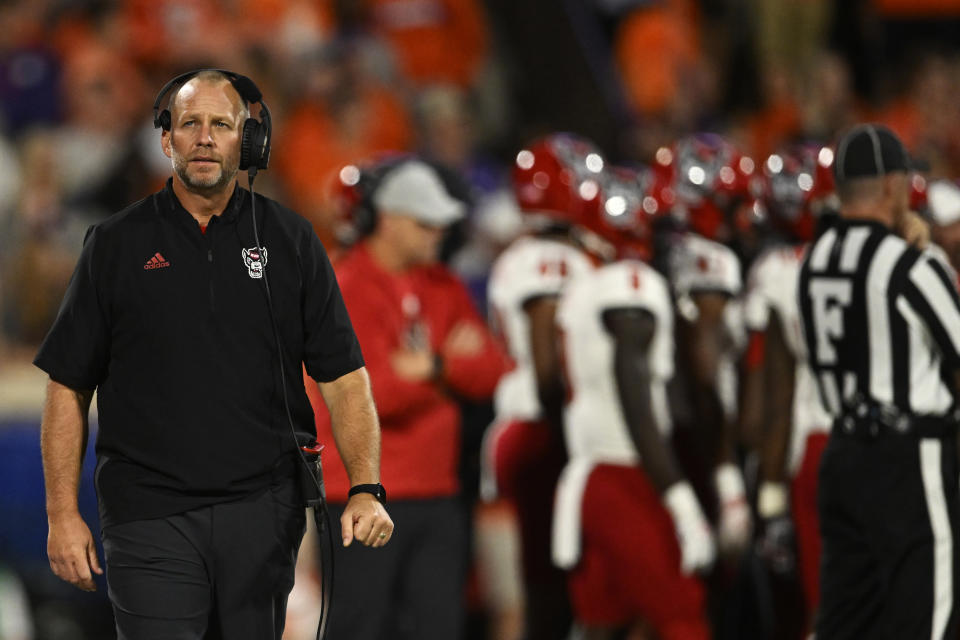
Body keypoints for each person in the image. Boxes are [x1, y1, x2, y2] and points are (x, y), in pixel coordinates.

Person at [34, 69, 392, 640]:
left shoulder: (293, 241)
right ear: (166, 140)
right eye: (190, 124)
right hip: (148, 513)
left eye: (221, 125)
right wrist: (61, 514)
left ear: (248, 142)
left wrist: (365, 488)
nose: (204, 137)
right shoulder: (115, 244)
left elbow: (345, 378)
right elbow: (67, 385)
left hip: (263, 512)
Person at [307, 157, 507, 640]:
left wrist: (435, 366)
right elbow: (373, 397)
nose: (439, 231)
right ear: (389, 220)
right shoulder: (344, 284)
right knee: (360, 628)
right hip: (361, 493)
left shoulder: (443, 283)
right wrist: (451, 373)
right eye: (425, 222)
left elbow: (495, 371)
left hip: (436, 491)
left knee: (438, 628)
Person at [798, 124, 960, 639]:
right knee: (930, 620)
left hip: (842, 453)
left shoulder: (812, 260)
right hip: (907, 462)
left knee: (846, 622)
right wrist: (929, 254)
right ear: (893, 186)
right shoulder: (908, 265)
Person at [552, 166, 714, 639]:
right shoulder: (630, 286)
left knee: (606, 624)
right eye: (662, 227)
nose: (671, 240)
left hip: (592, 475)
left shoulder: (589, 284)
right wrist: (680, 500)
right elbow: (636, 400)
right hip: (626, 474)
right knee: (683, 615)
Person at [479, 133, 601, 640]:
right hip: (541, 430)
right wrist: (570, 429)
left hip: (522, 427)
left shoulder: (522, 255)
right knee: (548, 597)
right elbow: (549, 362)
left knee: (541, 599)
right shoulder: (549, 261)